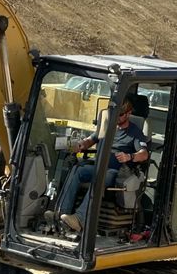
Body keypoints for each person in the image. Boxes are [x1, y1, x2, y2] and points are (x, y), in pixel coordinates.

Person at [60, 97, 149, 232]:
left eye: (120, 115)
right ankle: (62, 213)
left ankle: (80, 219)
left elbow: (144, 154)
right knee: (77, 169)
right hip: (98, 165)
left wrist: (129, 156)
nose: (116, 118)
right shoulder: (107, 126)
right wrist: (82, 144)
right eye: (114, 114)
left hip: (115, 172)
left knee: (100, 176)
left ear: (128, 113)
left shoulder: (135, 132)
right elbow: (91, 139)